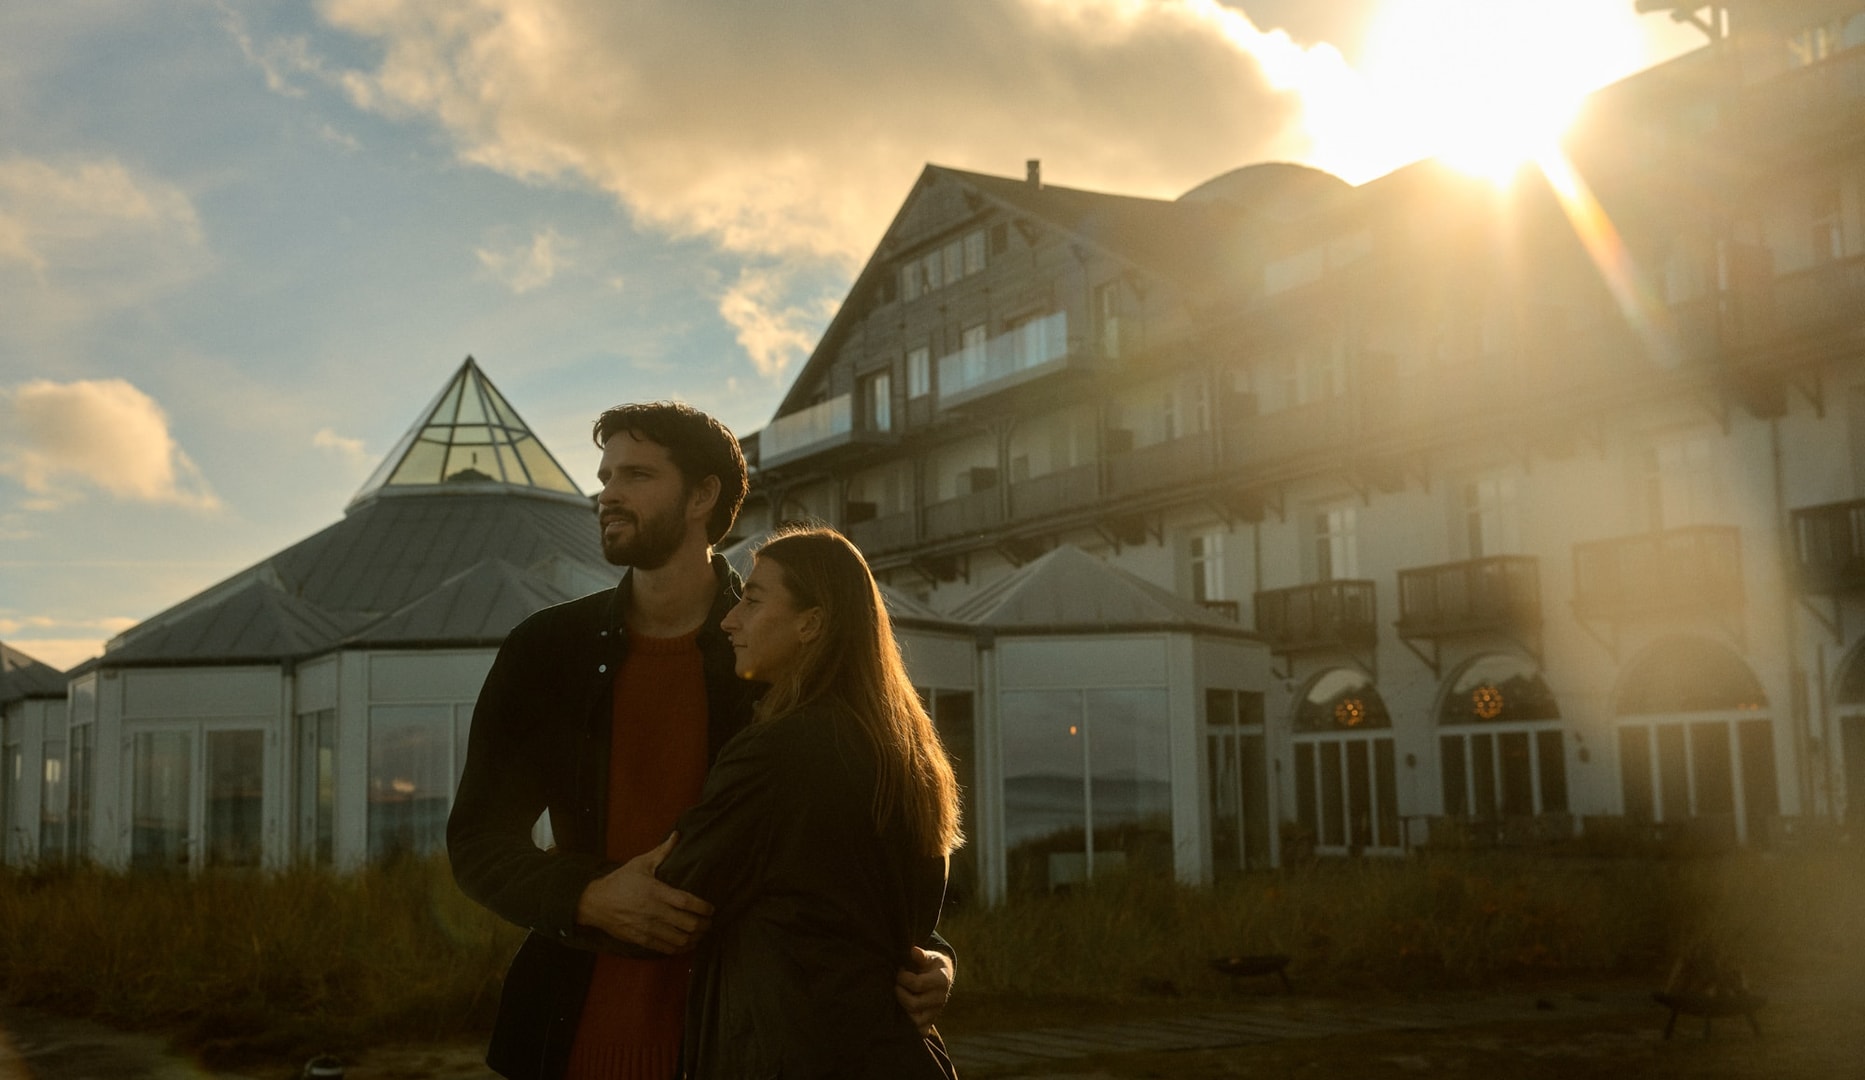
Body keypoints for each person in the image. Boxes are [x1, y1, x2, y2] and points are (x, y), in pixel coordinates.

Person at [448, 403, 953, 1080]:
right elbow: (478, 841)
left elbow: (863, 842)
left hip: (743, 1039)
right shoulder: (547, 650)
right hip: (573, 1033)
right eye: (604, 476)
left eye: (637, 475)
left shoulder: (781, 660)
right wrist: (585, 897)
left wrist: (928, 954)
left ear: (702, 495)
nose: (608, 494)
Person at [647, 525, 962, 1078]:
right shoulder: (911, 751)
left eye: (752, 600)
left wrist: (574, 883)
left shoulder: (776, 752)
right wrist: (943, 961)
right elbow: (882, 910)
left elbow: (674, 890)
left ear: (811, 623)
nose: (729, 620)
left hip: (794, 1054)